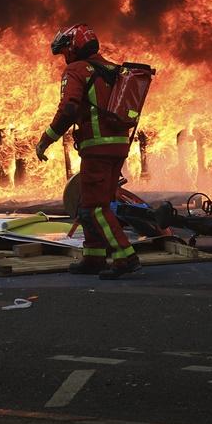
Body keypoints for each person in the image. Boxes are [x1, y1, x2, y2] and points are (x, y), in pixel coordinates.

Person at [36, 23, 141, 279]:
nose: (65, 57)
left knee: (95, 207)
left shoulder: (76, 70)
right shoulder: (114, 70)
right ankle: (93, 257)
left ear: (72, 48)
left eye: (64, 52)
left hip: (96, 148)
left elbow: (68, 109)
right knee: (88, 203)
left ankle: (124, 256)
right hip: (118, 146)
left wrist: (46, 140)